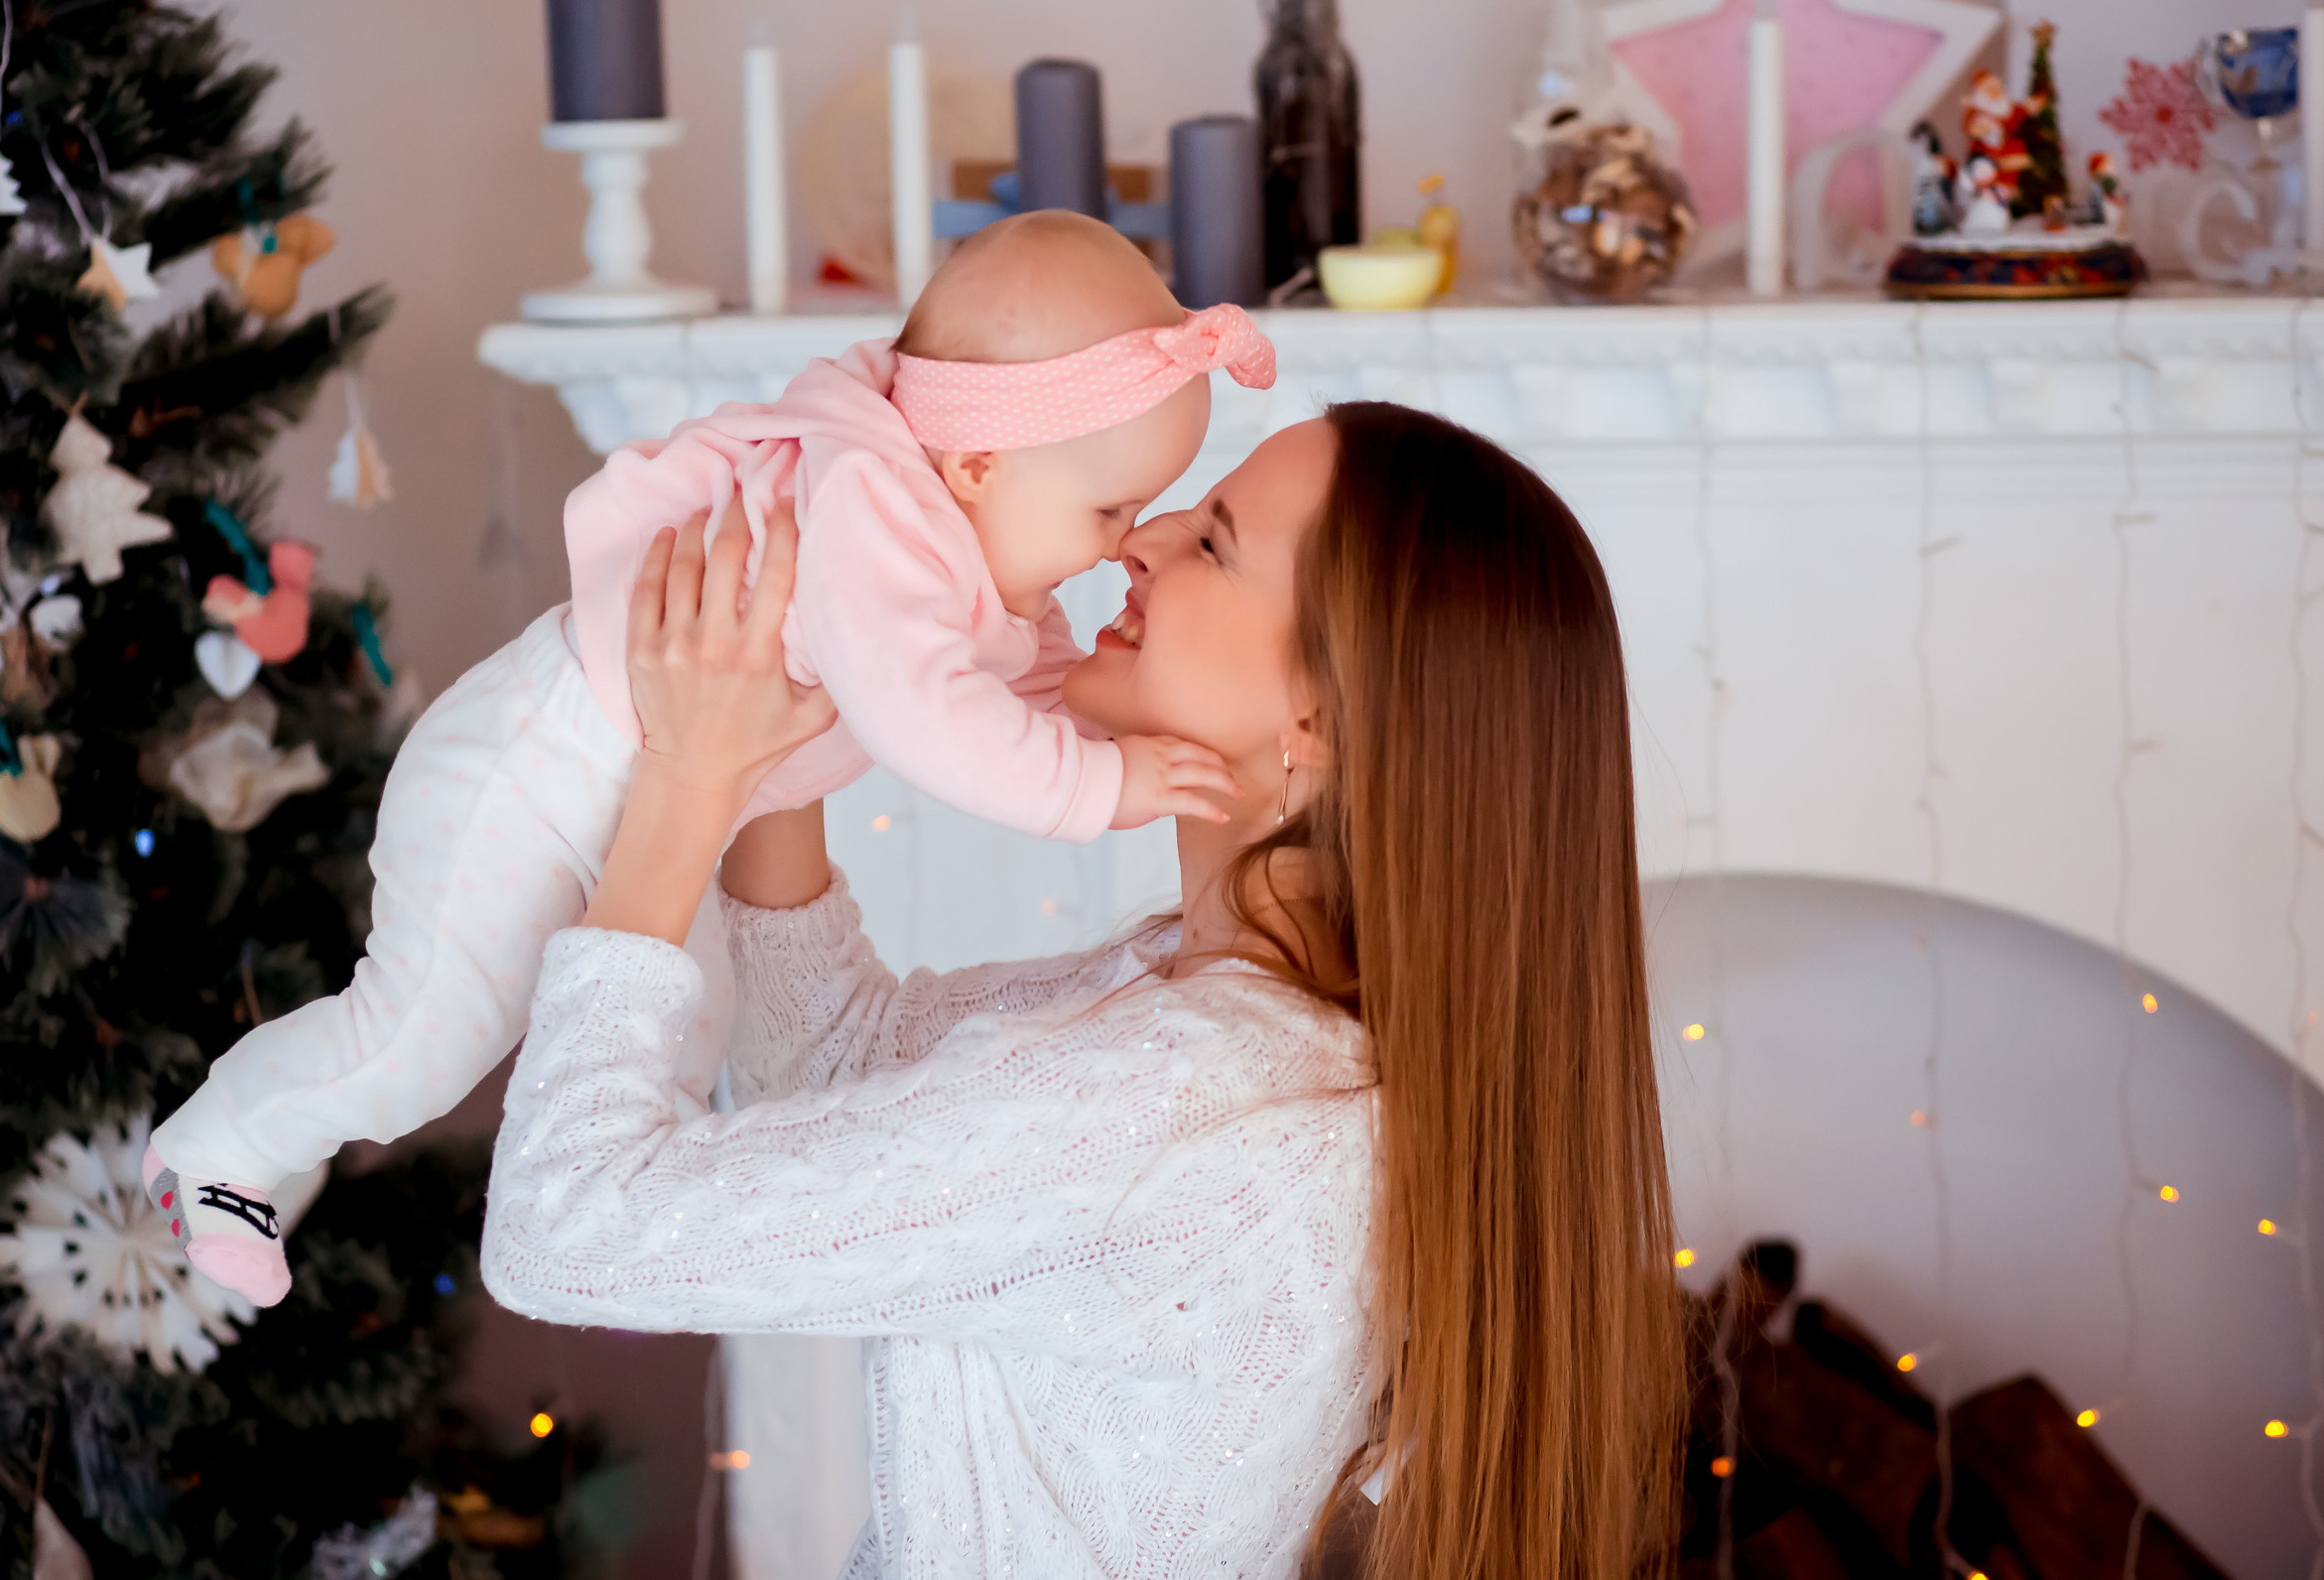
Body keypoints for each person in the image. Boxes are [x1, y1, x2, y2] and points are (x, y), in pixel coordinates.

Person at [481, 401, 1685, 1580]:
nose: (1139, 540)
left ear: (1318, 717)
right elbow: (841, 1064)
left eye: (1212, 540)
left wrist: (684, 788)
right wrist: (793, 688)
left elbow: (566, 1229)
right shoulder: (1253, 1033)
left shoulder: (1179, 1105)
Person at [143, 212, 1268, 1303]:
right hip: (529, 777)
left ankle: (646, 1191)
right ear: (976, 463)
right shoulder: (874, 513)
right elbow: (931, 718)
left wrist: (1130, 734)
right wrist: (1106, 786)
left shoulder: (950, 542)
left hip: (649, 805)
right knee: (422, 1036)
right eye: (1112, 507)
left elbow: (1023, 685)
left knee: (684, 1033)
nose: (1124, 543)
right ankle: (214, 1150)